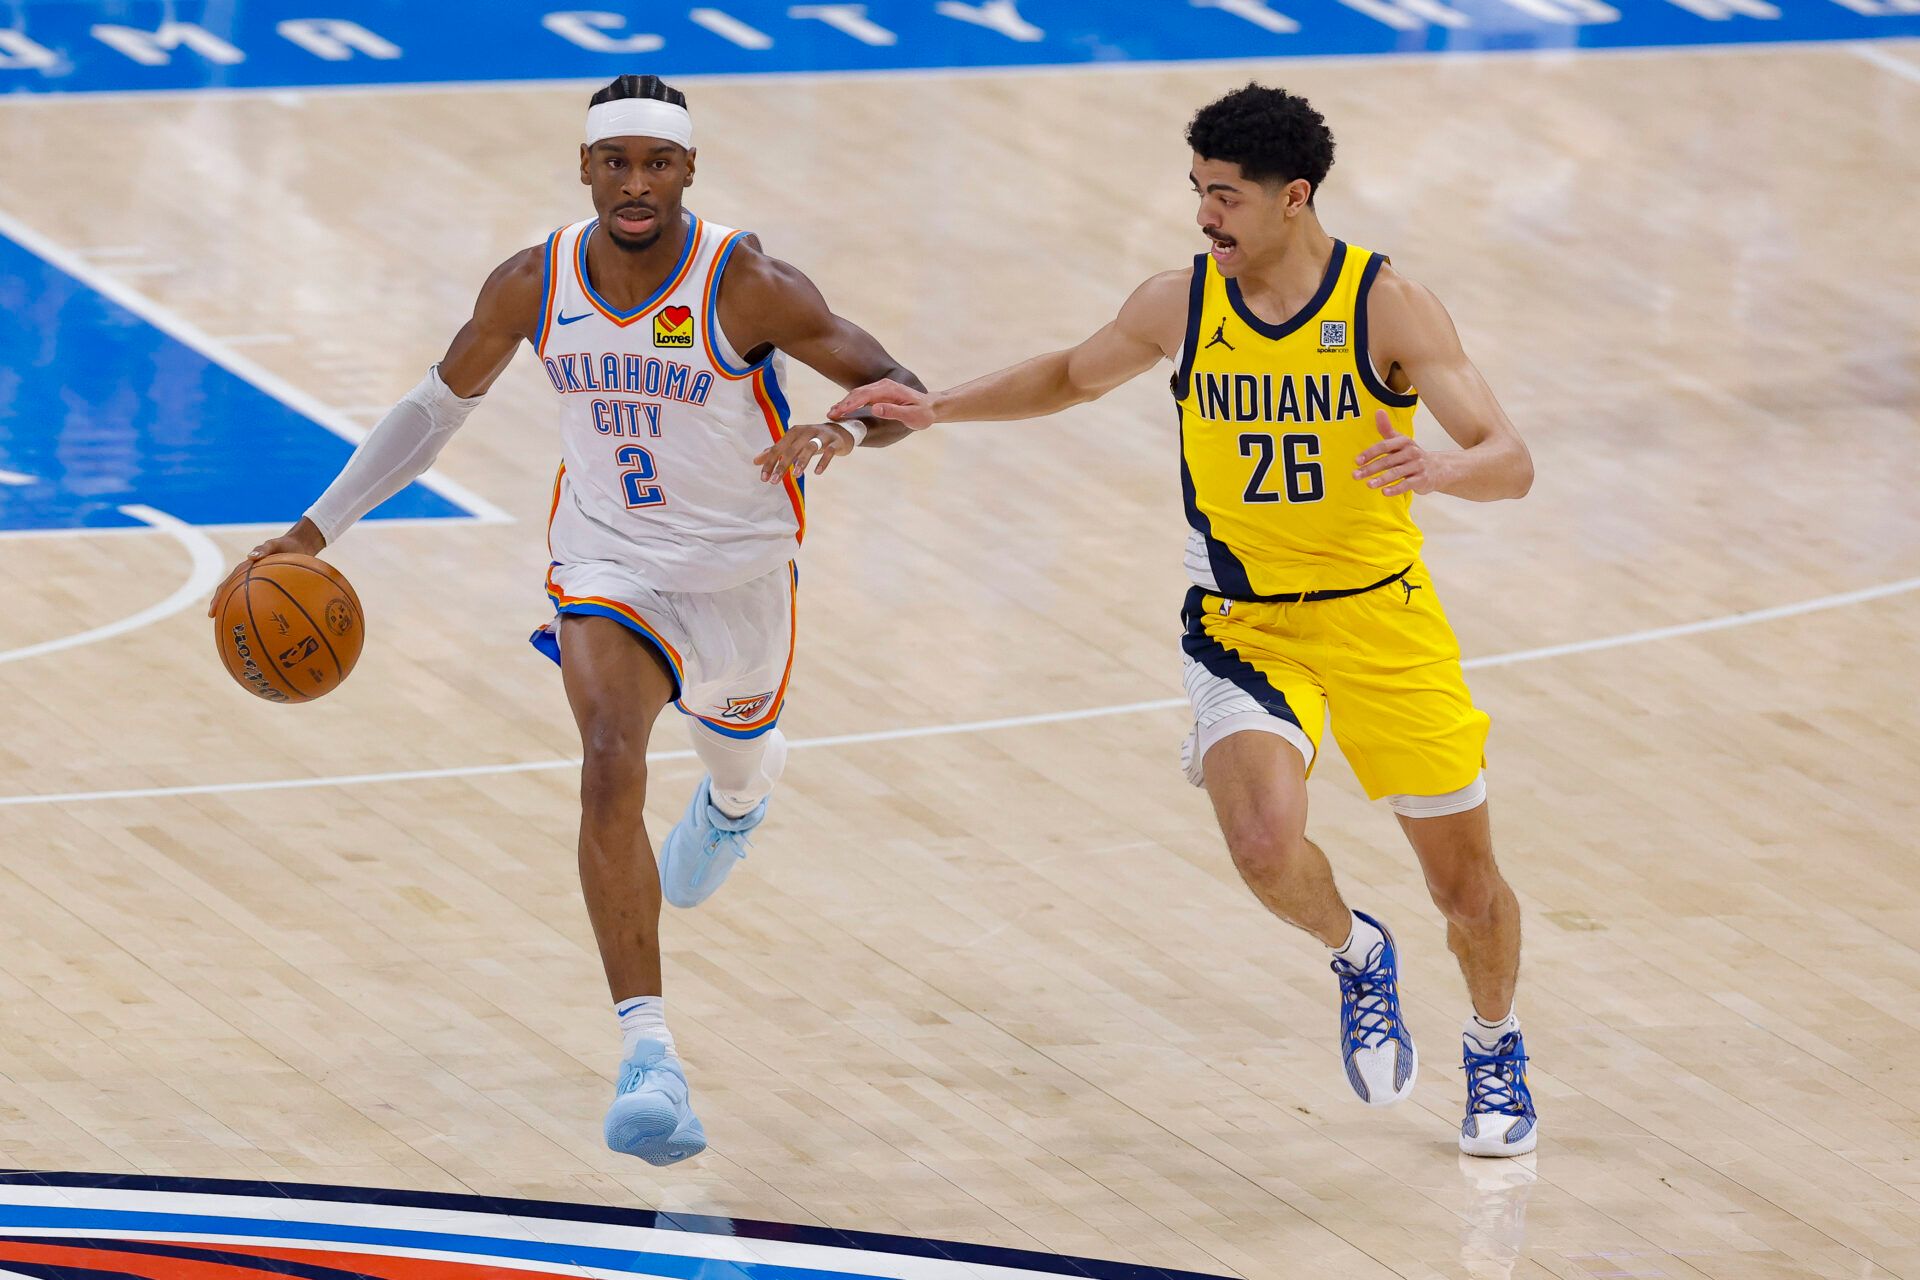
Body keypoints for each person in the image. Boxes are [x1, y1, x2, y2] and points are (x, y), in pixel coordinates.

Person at [786, 84, 1539, 1156]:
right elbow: (1067, 374)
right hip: (1242, 624)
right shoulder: (1181, 302)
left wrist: (1445, 465)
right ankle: (1357, 949)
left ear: (1294, 198)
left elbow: (1512, 461)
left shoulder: (1388, 306)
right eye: (1197, 192)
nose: (1204, 216)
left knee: (1464, 886)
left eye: (1224, 196)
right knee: (1264, 844)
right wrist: (935, 403)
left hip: (1381, 623)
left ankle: (1494, 1038)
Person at [209, 73, 916, 1166]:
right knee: (606, 756)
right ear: (584, 168)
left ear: (690, 170)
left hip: (739, 576)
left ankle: (737, 800)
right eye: (615, 162)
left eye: (657, 163)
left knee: (737, 753)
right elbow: (435, 408)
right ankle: (651, 1054)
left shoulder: (749, 284)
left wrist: (849, 433)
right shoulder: (533, 282)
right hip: (607, 559)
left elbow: (897, 387)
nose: (635, 183)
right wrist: (316, 530)